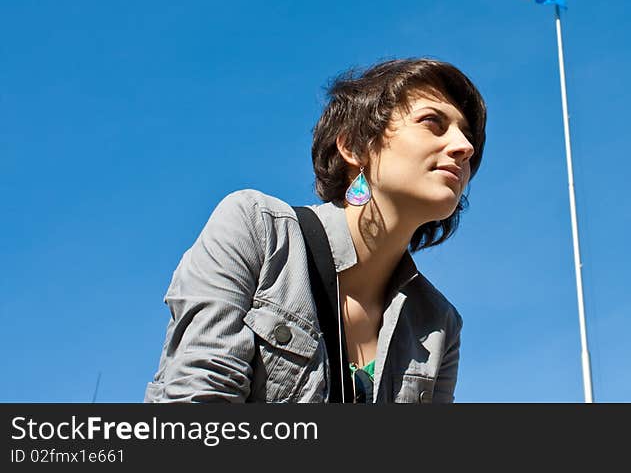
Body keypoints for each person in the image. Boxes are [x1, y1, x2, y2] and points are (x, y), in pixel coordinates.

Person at [144, 58, 486, 403]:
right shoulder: (257, 229)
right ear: (354, 145)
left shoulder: (438, 324)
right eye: (433, 122)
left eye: (468, 137)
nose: (465, 148)